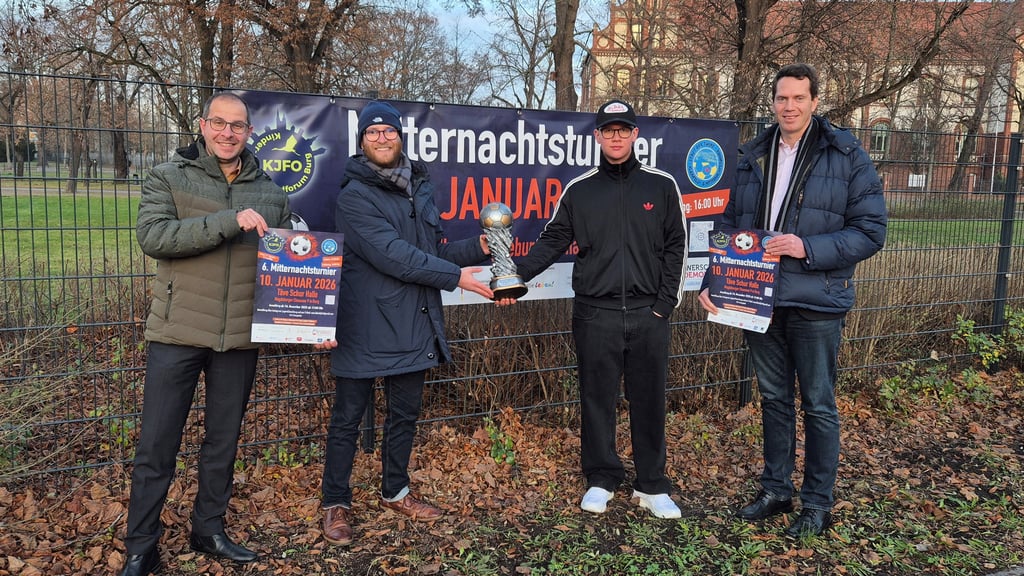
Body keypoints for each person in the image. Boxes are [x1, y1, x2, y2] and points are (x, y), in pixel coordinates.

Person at [698, 63, 887, 538]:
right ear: (774, 102)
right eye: (782, 98)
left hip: (816, 299)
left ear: (815, 102)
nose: (790, 106)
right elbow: (727, 225)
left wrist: (807, 248)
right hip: (756, 300)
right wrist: (712, 280)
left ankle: (818, 504)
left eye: (799, 98)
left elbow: (871, 231)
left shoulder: (847, 154)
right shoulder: (753, 156)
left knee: (819, 404)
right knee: (774, 398)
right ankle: (777, 490)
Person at [119, 92, 292, 576]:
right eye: (219, 123)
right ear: (203, 124)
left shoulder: (273, 194)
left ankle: (208, 529)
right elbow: (154, 238)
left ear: (249, 132)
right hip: (176, 332)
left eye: (237, 126)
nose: (227, 133)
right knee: (157, 444)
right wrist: (226, 221)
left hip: (238, 338)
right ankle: (141, 547)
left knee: (223, 441)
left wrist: (307, 320)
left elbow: (286, 270)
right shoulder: (167, 177)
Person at [317, 100, 494, 547]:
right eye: (372, 132)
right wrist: (456, 278)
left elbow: (428, 253)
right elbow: (393, 255)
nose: (382, 137)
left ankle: (395, 491)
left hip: (412, 320)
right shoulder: (354, 196)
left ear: (400, 137)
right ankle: (335, 501)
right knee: (347, 420)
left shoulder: (419, 187)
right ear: (361, 142)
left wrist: (479, 247)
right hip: (363, 323)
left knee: (404, 416)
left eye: (388, 131)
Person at [500, 99, 689, 519]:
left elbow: (678, 245)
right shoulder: (580, 190)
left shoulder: (661, 186)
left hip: (648, 315)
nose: (616, 136)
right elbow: (551, 242)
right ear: (597, 136)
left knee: (649, 400)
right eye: (609, 130)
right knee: (596, 399)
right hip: (594, 314)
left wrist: (664, 304)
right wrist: (515, 276)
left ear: (636, 135)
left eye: (624, 129)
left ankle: (652, 485)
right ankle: (601, 478)